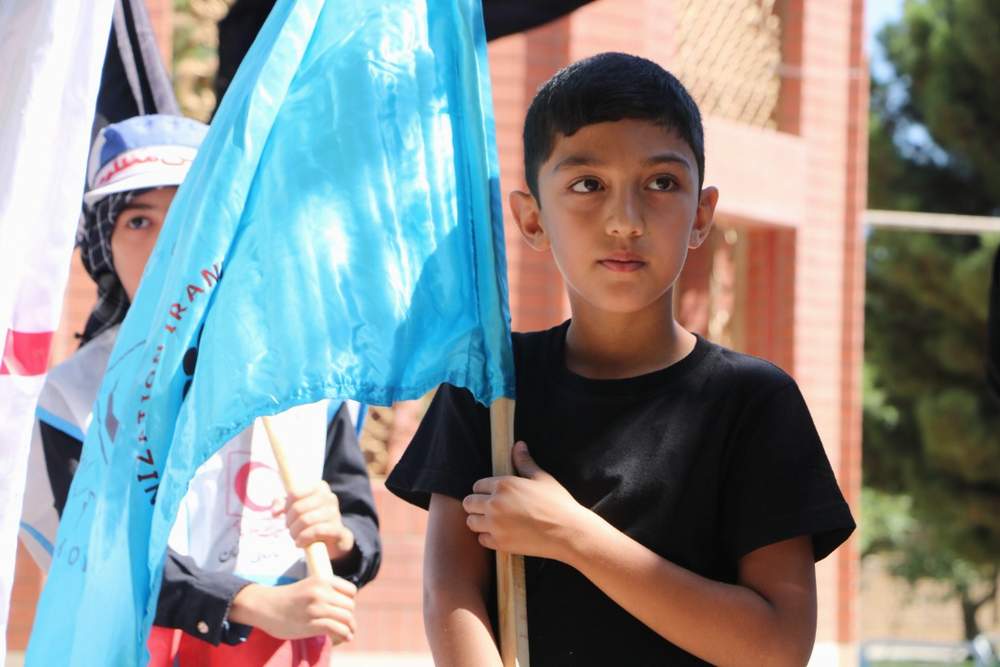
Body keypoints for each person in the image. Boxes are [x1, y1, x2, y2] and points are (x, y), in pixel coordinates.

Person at [386, 52, 856, 665]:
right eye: (588, 185)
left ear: (701, 214)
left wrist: (572, 535)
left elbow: (777, 648)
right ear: (532, 218)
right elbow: (449, 594)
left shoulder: (754, 402)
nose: (625, 222)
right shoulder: (490, 386)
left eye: (661, 183)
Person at [19, 114, 380, 666]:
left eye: (191, 215)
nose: (169, 244)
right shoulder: (73, 397)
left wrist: (340, 539)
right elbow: (91, 553)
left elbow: (359, 524)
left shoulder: (304, 380)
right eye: (139, 221)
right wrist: (249, 603)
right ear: (104, 246)